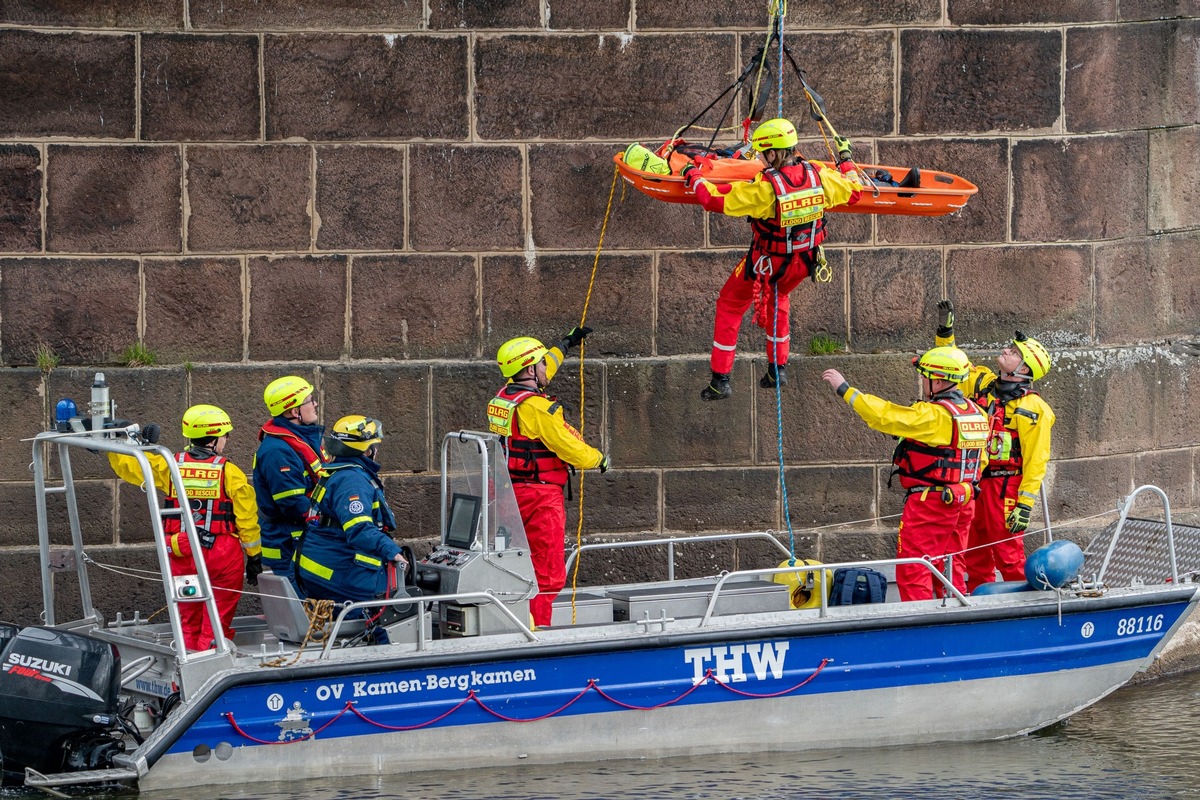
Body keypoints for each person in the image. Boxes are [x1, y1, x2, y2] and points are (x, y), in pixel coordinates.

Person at [681, 117, 863, 400]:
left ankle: (720, 380)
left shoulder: (766, 188)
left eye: (764, 154)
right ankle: (777, 370)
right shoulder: (819, 176)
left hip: (767, 263)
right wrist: (847, 161)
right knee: (779, 299)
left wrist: (693, 175)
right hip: (804, 263)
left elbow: (712, 199)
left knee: (729, 305)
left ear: (775, 153)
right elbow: (855, 192)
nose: (763, 161)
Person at [821, 347, 990, 601]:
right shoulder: (977, 414)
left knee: (915, 566)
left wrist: (845, 389)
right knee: (951, 563)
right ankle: (955, 612)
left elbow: (885, 416)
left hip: (931, 502)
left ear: (940, 380)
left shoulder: (934, 415)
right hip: (963, 499)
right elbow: (981, 459)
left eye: (925, 376)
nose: (922, 381)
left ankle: (920, 624)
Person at [108, 405, 261, 651]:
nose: (226, 440)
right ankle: (210, 664)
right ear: (214, 438)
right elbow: (247, 520)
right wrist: (254, 557)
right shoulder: (230, 473)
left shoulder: (170, 465)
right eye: (225, 435)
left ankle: (183, 670)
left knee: (187, 619)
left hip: (180, 549)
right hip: (221, 554)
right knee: (215, 618)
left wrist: (114, 443)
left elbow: (130, 468)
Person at [487, 329, 609, 627]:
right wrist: (599, 459)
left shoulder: (504, 398)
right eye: (541, 364)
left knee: (515, 566)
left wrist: (564, 346)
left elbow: (544, 369)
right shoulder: (539, 409)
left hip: (508, 493)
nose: (546, 368)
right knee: (548, 572)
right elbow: (570, 449)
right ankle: (537, 631)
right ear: (528, 369)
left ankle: (511, 622)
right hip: (539, 497)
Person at [933, 301, 1056, 591]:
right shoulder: (982, 383)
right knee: (974, 553)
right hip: (975, 482)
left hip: (1005, 488)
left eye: (1013, 352)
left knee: (1008, 555)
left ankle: (1025, 608)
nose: (1006, 351)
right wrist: (945, 332)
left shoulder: (1034, 409)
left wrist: (1025, 505)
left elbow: (1037, 460)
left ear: (1024, 368)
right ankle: (979, 603)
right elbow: (952, 362)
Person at [294, 415, 407, 611]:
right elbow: (359, 529)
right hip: (338, 573)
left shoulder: (336, 472)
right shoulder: (352, 481)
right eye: (375, 446)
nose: (376, 451)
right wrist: (393, 552)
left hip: (319, 567)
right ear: (368, 450)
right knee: (391, 610)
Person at [253, 376, 327, 583]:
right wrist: (329, 519)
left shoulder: (302, 439)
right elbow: (292, 503)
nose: (315, 404)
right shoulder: (278, 451)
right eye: (310, 400)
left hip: (302, 539)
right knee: (299, 607)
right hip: (289, 544)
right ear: (295, 412)